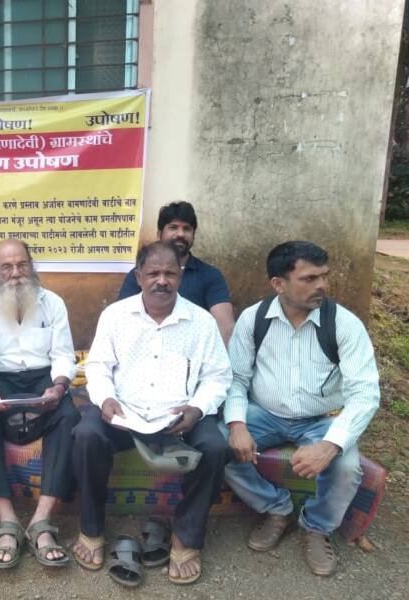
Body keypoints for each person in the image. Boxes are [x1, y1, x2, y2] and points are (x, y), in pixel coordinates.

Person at [72, 241, 232, 584]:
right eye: (153, 273)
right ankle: (91, 528)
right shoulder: (116, 315)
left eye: (170, 273)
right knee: (86, 436)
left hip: (179, 417)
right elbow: (98, 366)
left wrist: (197, 409)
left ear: (181, 276)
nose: (162, 281)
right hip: (125, 413)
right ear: (138, 276)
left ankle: (186, 537)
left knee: (215, 447)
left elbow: (218, 376)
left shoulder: (201, 321)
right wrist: (105, 399)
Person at [223, 241, 380, 576]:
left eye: (324, 276)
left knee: (346, 466)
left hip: (321, 420)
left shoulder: (344, 324)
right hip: (264, 414)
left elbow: (365, 393)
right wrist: (237, 424)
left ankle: (317, 527)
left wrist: (331, 444)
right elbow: (236, 378)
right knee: (217, 445)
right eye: (309, 279)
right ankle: (276, 508)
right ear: (278, 283)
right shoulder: (254, 319)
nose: (321, 285)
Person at [0, 239, 80, 569]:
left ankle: (41, 522)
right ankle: (8, 521)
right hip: (0, 379)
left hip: (43, 378)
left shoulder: (53, 303)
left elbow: (63, 355)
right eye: (7, 267)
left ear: (32, 265)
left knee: (68, 415)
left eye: (22, 265)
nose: (16, 273)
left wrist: (58, 387)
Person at [117, 201, 235, 345]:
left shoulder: (210, 275)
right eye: (173, 227)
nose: (180, 234)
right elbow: (121, 321)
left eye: (187, 229)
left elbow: (225, 329)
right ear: (159, 233)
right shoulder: (140, 275)